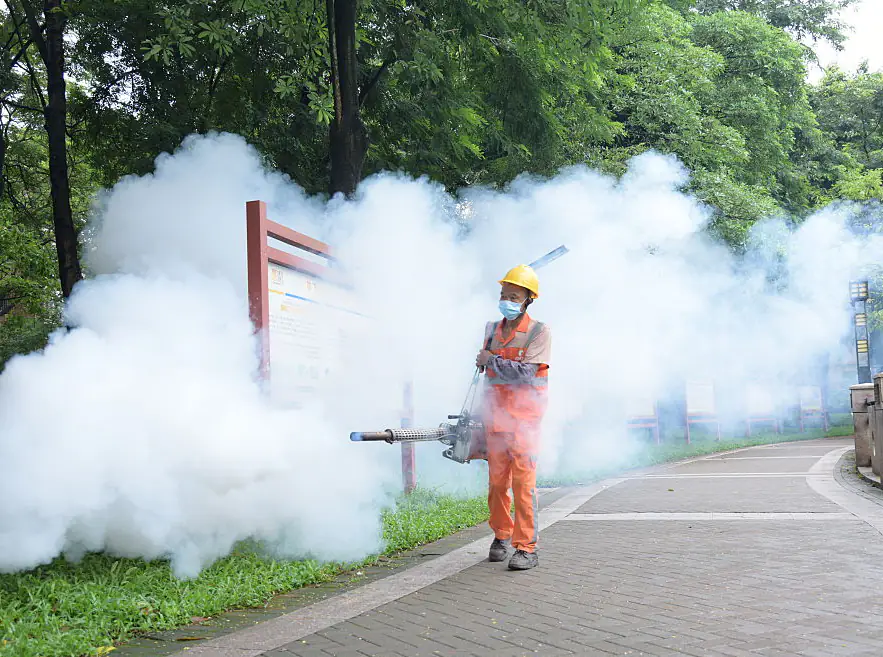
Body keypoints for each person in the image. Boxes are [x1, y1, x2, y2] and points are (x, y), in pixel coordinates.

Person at [475, 264, 551, 571]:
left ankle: (526, 548)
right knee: (496, 484)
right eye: (503, 295)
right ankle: (501, 537)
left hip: (525, 421)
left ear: (528, 300)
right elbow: (486, 374)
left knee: (523, 485)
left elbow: (525, 375)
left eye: (514, 296)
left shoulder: (539, 332)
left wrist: (490, 359)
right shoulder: (491, 330)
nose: (506, 301)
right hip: (496, 419)